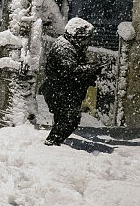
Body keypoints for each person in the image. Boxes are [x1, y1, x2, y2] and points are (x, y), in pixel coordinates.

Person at [41, 17, 102, 146]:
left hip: (64, 91)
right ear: (78, 35)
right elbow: (71, 71)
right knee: (69, 120)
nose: (88, 42)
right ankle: (51, 143)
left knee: (64, 119)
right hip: (60, 92)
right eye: (86, 38)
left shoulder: (72, 46)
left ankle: (55, 143)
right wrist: (91, 68)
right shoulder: (64, 48)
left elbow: (77, 69)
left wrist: (90, 71)